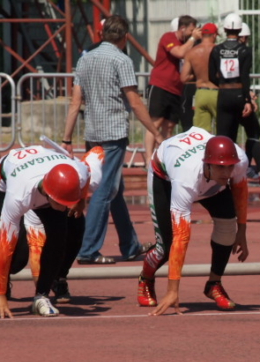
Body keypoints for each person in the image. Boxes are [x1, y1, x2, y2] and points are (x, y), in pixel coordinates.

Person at [63, 14, 161, 265]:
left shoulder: (85, 59)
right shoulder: (122, 60)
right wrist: (156, 132)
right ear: (125, 37)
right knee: (104, 191)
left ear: (102, 34)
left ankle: (129, 245)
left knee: (114, 190)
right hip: (114, 133)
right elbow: (135, 102)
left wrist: (66, 138)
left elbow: (75, 102)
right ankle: (88, 249)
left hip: (92, 133)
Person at [138, 131, 249, 315]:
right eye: (221, 167)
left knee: (228, 228)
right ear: (208, 164)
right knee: (166, 247)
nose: (227, 173)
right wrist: (173, 291)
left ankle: (214, 284)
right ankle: (146, 279)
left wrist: (242, 231)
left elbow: (240, 188)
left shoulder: (240, 160)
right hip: (165, 176)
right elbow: (181, 236)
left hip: (208, 178)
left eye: (230, 167)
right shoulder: (185, 179)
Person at [0, 146, 91, 319]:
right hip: (4, 179)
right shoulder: (18, 196)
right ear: (48, 194)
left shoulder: (78, 171)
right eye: (61, 202)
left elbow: (87, 170)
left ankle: (41, 296)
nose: (65, 207)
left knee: (58, 240)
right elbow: (6, 243)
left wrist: (81, 200)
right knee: (16, 260)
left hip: (43, 171)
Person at [144, 15, 202, 156]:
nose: (193, 33)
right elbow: (179, 53)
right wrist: (193, 38)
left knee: (169, 127)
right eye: (191, 30)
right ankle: (149, 158)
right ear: (182, 28)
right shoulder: (169, 37)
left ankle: (164, 157)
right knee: (155, 123)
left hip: (176, 90)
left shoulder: (189, 44)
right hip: (161, 86)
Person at [208, 13, 253, 142]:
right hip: (239, 93)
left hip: (223, 93)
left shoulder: (216, 50)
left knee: (222, 134)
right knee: (237, 133)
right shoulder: (245, 50)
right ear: (240, 30)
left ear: (225, 29)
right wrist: (247, 100)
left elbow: (211, 76)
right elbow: (245, 77)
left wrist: (222, 83)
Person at [237, 22, 260, 185]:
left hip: (224, 97)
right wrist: (247, 96)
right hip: (239, 97)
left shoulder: (221, 50)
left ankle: (244, 167)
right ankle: (258, 172)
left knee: (228, 135)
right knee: (254, 132)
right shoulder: (243, 51)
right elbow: (242, 77)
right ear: (243, 37)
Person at [180, 22, 219, 133]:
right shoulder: (219, 50)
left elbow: (183, 78)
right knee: (222, 130)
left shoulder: (191, 52)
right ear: (214, 35)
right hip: (217, 92)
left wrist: (197, 74)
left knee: (201, 133)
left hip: (201, 93)